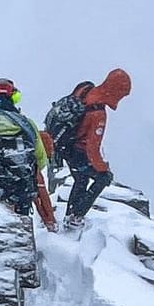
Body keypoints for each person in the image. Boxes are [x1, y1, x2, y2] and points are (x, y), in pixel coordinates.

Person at [45, 69, 131, 229]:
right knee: (103, 178)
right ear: (116, 90)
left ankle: (71, 215)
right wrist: (104, 168)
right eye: (122, 94)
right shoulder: (98, 113)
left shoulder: (85, 89)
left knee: (81, 178)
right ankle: (75, 217)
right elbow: (92, 148)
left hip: (64, 144)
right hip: (77, 150)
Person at [0, 78, 58, 232]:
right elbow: (41, 160)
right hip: (23, 190)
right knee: (20, 229)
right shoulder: (28, 124)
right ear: (14, 98)